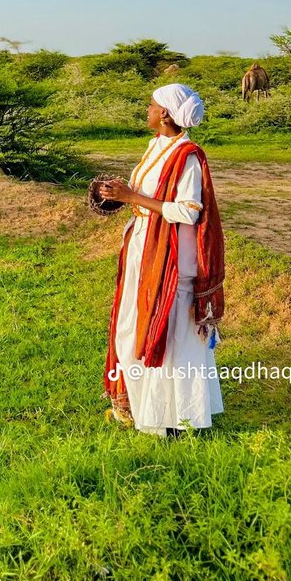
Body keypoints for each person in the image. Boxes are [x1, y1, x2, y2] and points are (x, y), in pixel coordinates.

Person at [98, 83, 226, 437]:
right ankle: (140, 407)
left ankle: (172, 419)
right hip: (143, 247)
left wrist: (133, 195)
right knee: (131, 328)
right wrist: (119, 194)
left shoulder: (188, 156)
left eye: (151, 105)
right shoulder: (156, 145)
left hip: (170, 256)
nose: (148, 110)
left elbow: (188, 211)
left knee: (170, 334)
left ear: (166, 114)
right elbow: (147, 197)